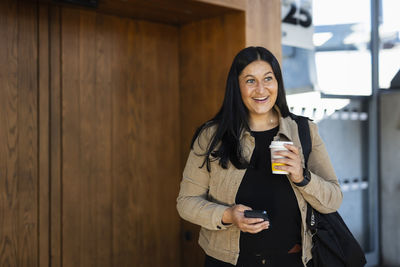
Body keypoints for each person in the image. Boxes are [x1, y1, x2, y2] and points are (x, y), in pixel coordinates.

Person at [176, 46, 343, 267]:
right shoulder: (211, 136)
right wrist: (227, 215)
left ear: (278, 83)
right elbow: (186, 203)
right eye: (250, 81)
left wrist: (302, 176)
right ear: (237, 86)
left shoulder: (304, 131)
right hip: (227, 262)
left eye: (268, 78)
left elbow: (333, 199)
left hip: (292, 260)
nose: (261, 89)